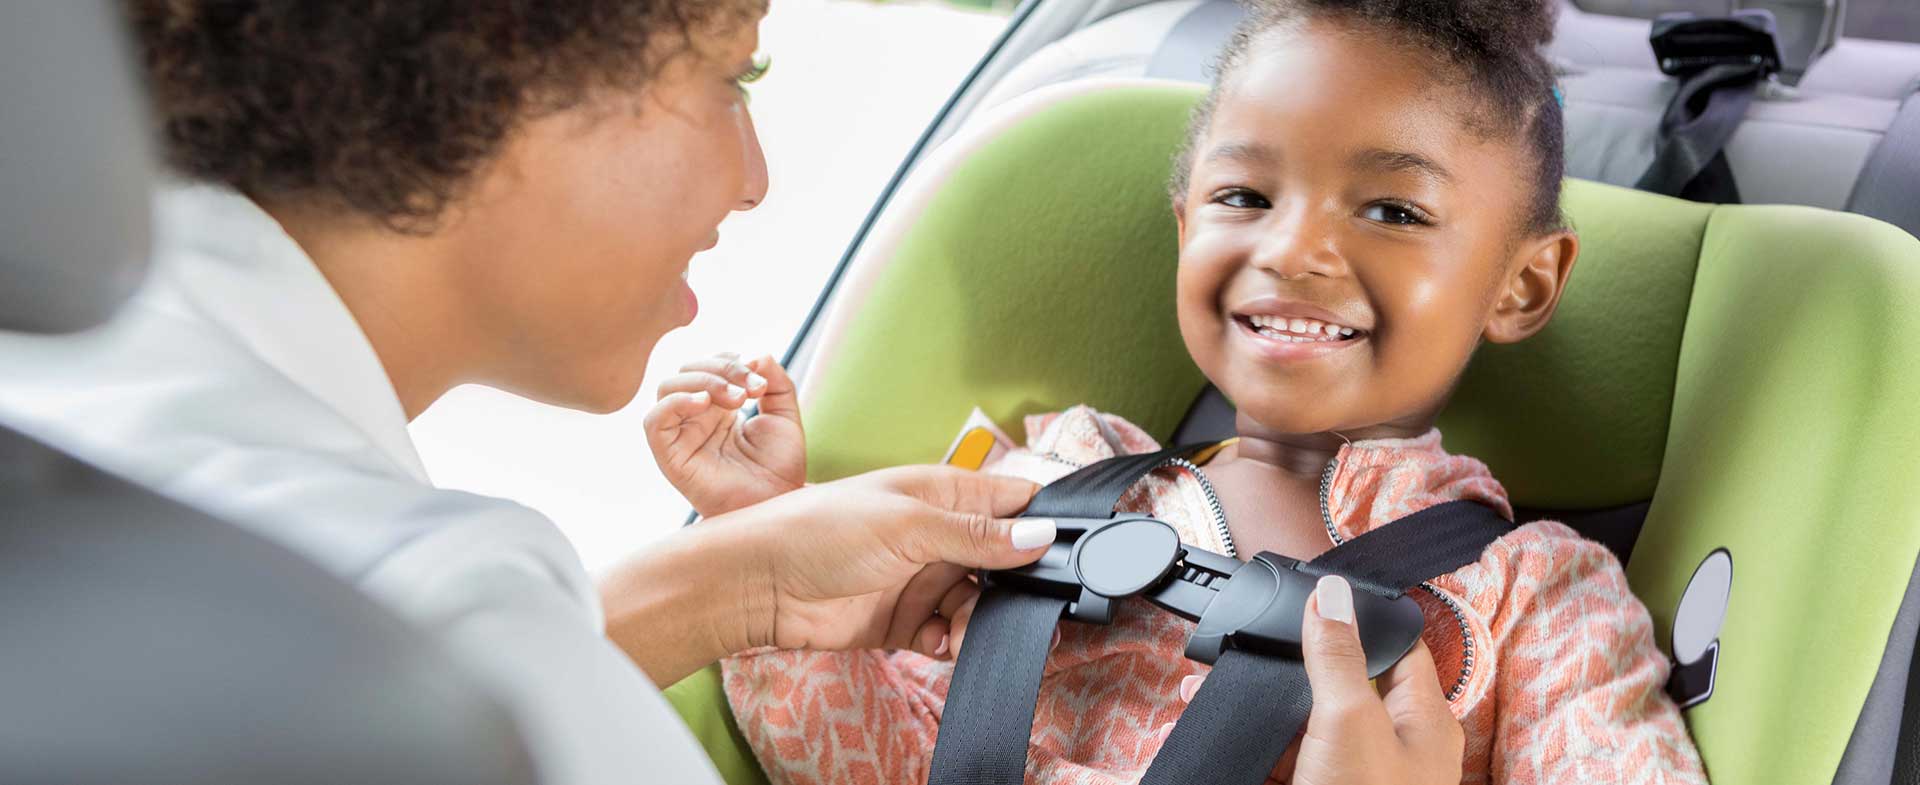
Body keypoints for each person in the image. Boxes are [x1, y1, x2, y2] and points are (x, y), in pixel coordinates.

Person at [648, 0, 1710, 782]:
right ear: (1184, 225)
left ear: (1522, 284)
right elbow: (865, 752)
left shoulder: (1535, 597)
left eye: (1391, 211)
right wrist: (766, 537)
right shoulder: (1055, 478)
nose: (1293, 248)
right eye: (1245, 195)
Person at [0, 3, 1060, 785]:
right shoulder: (420, 634)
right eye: (733, 75)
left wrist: (744, 583)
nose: (755, 177)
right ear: (502, 66)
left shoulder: (79, 422)